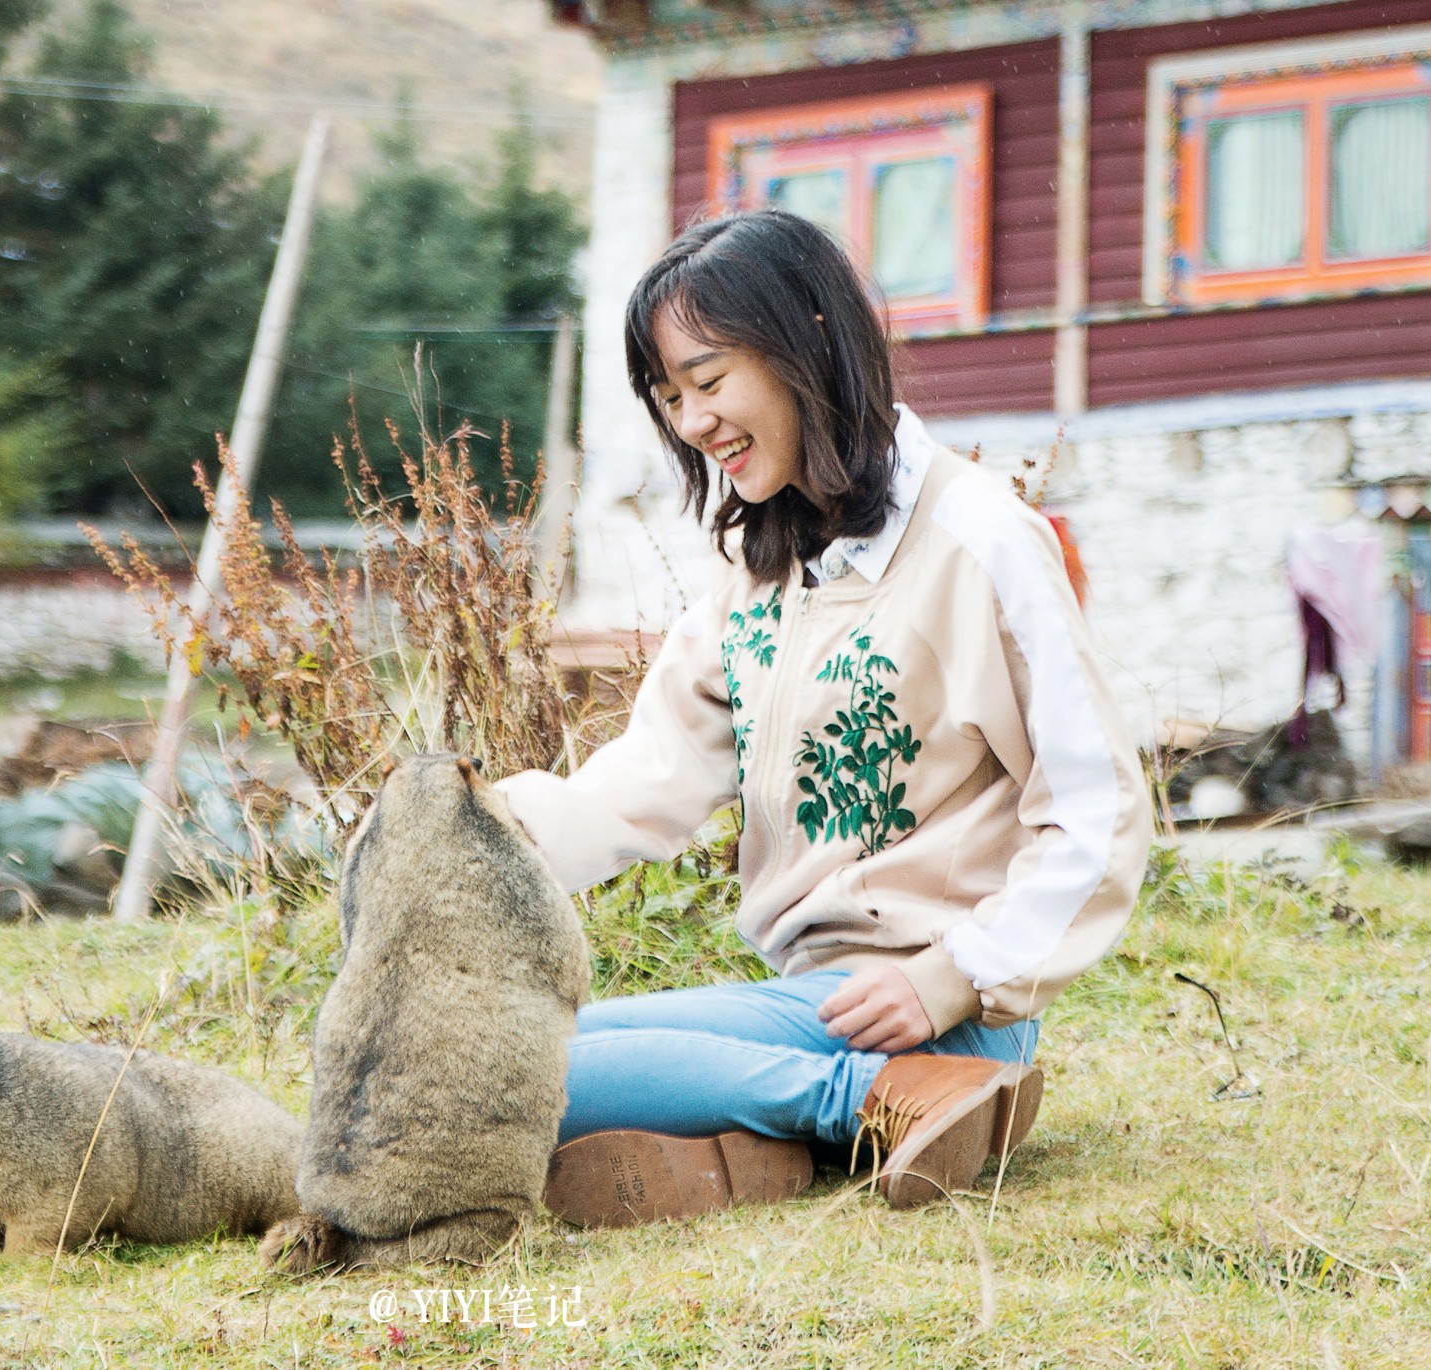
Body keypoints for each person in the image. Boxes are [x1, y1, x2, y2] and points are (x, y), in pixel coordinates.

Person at [494, 210, 1152, 1221]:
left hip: (945, 1010)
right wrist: (479, 840)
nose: (692, 424)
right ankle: (794, 1135)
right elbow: (647, 779)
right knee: (499, 1051)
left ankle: (878, 1101)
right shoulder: (754, 570)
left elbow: (1098, 809)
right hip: (813, 1002)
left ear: (804, 343)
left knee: (527, 1070)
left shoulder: (978, 538)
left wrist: (951, 975)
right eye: (669, 398)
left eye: (708, 382)